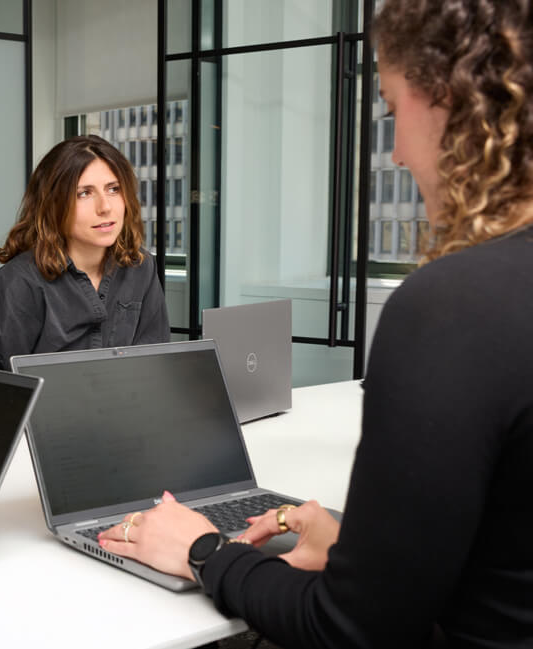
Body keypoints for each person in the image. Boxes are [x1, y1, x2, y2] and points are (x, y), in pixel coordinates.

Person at [97, 2, 533, 647]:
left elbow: (350, 630)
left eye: (390, 110)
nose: (401, 152)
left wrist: (205, 551)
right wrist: (370, 554)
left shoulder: (454, 307)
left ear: (451, 101)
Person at [0, 135, 169, 371]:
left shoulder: (140, 267)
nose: (105, 207)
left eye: (114, 189)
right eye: (84, 193)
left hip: (120, 405)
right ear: (53, 204)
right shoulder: (18, 282)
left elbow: (154, 365)